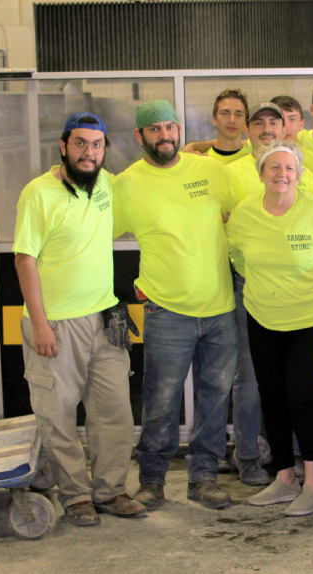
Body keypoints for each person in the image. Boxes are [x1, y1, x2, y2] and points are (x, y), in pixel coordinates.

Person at [13, 112, 146, 525]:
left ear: (105, 149)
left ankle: (110, 490)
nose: (89, 152)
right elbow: (24, 260)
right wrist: (39, 322)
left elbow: (157, 168)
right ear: (63, 146)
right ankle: (75, 497)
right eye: (81, 144)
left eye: (97, 145)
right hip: (56, 323)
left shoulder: (104, 184)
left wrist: (194, 150)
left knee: (115, 413)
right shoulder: (39, 193)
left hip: (104, 320)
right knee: (59, 415)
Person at [226, 142, 313, 516]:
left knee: (301, 399)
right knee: (270, 398)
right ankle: (284, 478)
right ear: (261, 174)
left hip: (311, 320)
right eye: (274, 167)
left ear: (300, 174)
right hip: (263, 317)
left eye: (290, 168)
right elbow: (239, 259)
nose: (282, 174)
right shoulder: (244, 214)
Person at [114, 100, 239, 510]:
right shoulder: (127, 184)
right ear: (140, 136)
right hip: (166, 313)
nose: (164, 136)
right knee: (161, 401)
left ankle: (203, 478)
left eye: (170, 127)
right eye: (154, 130)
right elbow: (97, 234)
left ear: (179, 129)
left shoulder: (210, 171)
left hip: (220, 310)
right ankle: (151, 480)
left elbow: (247, 213)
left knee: (214, 400)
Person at [269, 94, 313, 195]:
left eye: (292, 119)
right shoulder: (259, 159)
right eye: (280, 120)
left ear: (302, 124)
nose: (286, 126)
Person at [181, 88, 252, 165]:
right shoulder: (201, 160)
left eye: (238, 115)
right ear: (214, 119)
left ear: (245, 121)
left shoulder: (257, 154)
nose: (232, 120)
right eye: (225, 113)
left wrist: (193, 145)